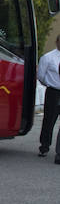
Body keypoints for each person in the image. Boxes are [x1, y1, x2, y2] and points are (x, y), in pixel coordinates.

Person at [36, 34, 60, 162]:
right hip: (53, 92)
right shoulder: (48, 57)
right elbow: (41, 75)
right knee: (49, 120)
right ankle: (44, 146)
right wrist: (50, 84)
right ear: (57, 42)